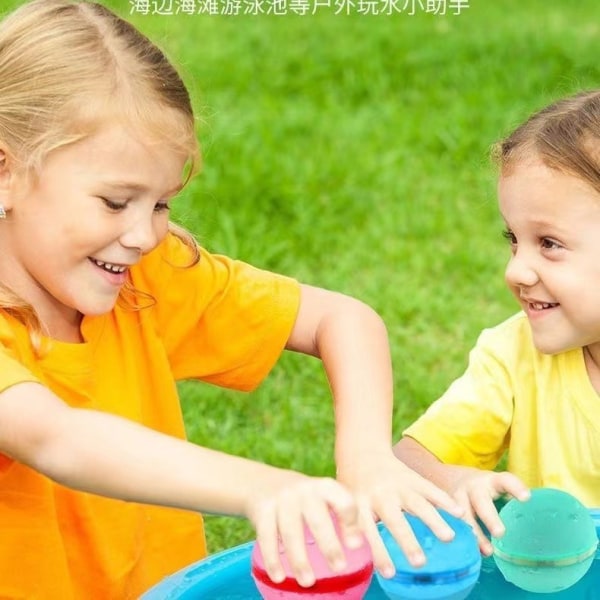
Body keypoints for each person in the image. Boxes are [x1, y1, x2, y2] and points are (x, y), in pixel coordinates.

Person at [0, 1, 463, 597]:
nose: (144, 235)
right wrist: (265, 486)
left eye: (162, 203)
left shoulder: (145, 276)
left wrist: (367, 456)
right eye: (116, 202)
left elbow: (342, 319)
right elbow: (56, 438)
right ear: (5, 172)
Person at [394, 89, 600, 557]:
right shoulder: (512, 354)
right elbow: (405, 463)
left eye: (548, 243)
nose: (515, 271)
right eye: (514, 239)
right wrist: (457, 480)